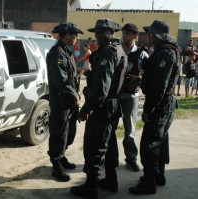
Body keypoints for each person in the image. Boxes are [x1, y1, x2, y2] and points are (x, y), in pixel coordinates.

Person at [70, 18, 125, 199]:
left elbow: (102, 87)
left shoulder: (108, 52)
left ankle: (91, 187)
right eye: (97, 32)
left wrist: (87, 107)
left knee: (95, 146)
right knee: (108, 145)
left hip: (103, 107)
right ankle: (111, 180)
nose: (98, 35)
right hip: (112, 106)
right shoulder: (118, 50)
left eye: (102, 32)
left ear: (112, 33)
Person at [129, 20, 180, 195]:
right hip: (164, 103)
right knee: (160, 140)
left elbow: (159, 85)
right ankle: (159, 175)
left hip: (160, 105)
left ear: (159, 36)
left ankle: (149, 182)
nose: (148, 36)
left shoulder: (165, 54)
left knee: (150, 143)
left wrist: (148, 109)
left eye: (151, 34)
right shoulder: (164, 51)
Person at [46, 22, 83, 182]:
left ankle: (62, 157)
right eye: (76, 34)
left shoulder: (67, 52)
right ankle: (56, 164)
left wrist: (76, 95)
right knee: (58, 133)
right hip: (61, 101)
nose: (77, 38)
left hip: (70, 101)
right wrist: (73, 94)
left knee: (69, 132)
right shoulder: (58, 53)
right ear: (68, 35)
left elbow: (72, 77)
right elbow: (60, 79)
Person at [120, 23, 149, 172]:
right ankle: (107, 159)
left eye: (127, 33)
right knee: (109, 129)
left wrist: (140, 77)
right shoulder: (116, 51)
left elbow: (151, 74)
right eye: (123, 33)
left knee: (130, 130)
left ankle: (131, 159)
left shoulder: (141, 54)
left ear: (134, 36)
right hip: (115, 96)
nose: (123, 35)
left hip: (131, 97)